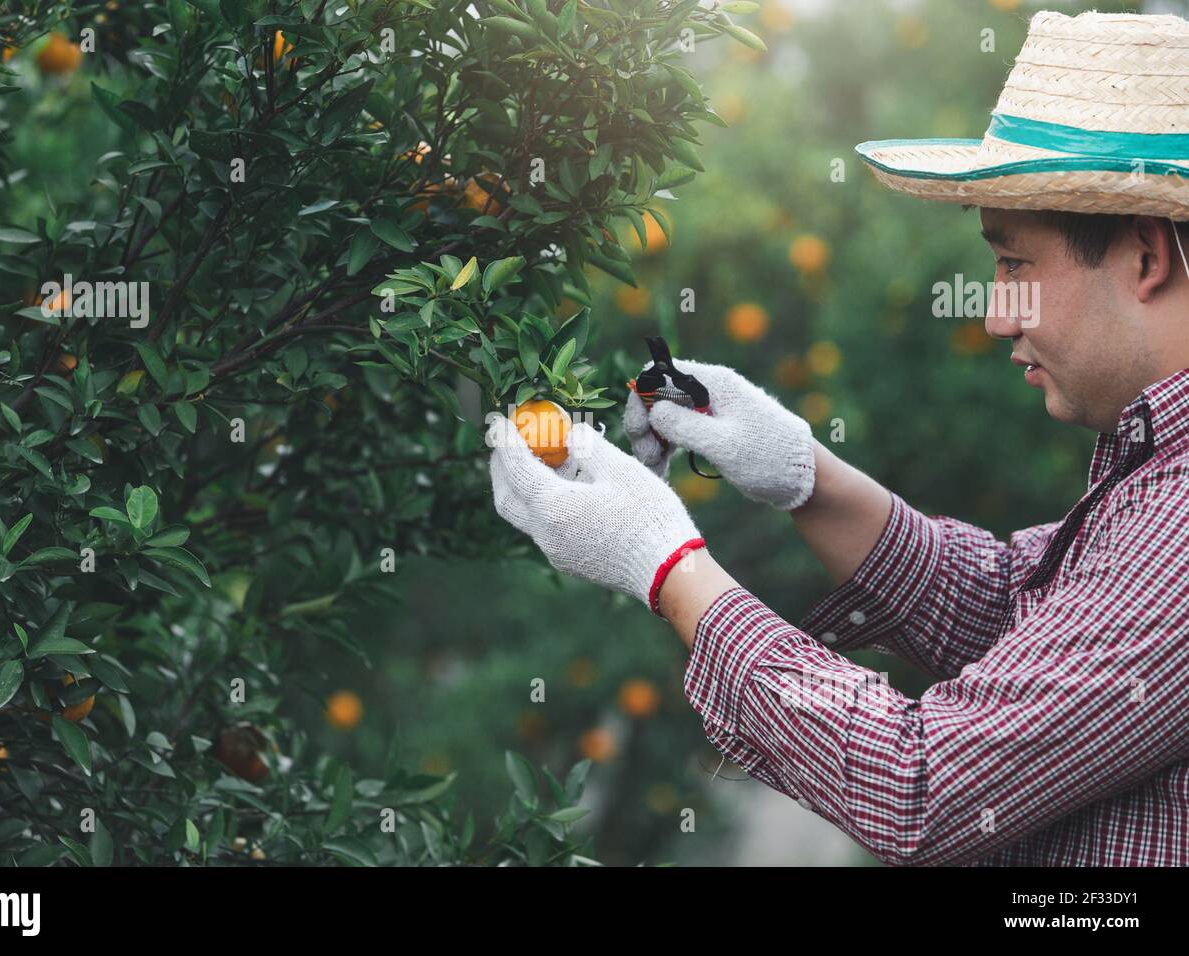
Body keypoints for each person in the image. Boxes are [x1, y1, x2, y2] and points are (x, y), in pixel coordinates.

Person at [488, 10, 1189, 866]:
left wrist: (666, 565)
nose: (997, 315)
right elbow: (1021, 613)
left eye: (1014, 266)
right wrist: (806, 477)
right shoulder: (1156, 469)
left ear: (1146, 256)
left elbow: (921, 786)